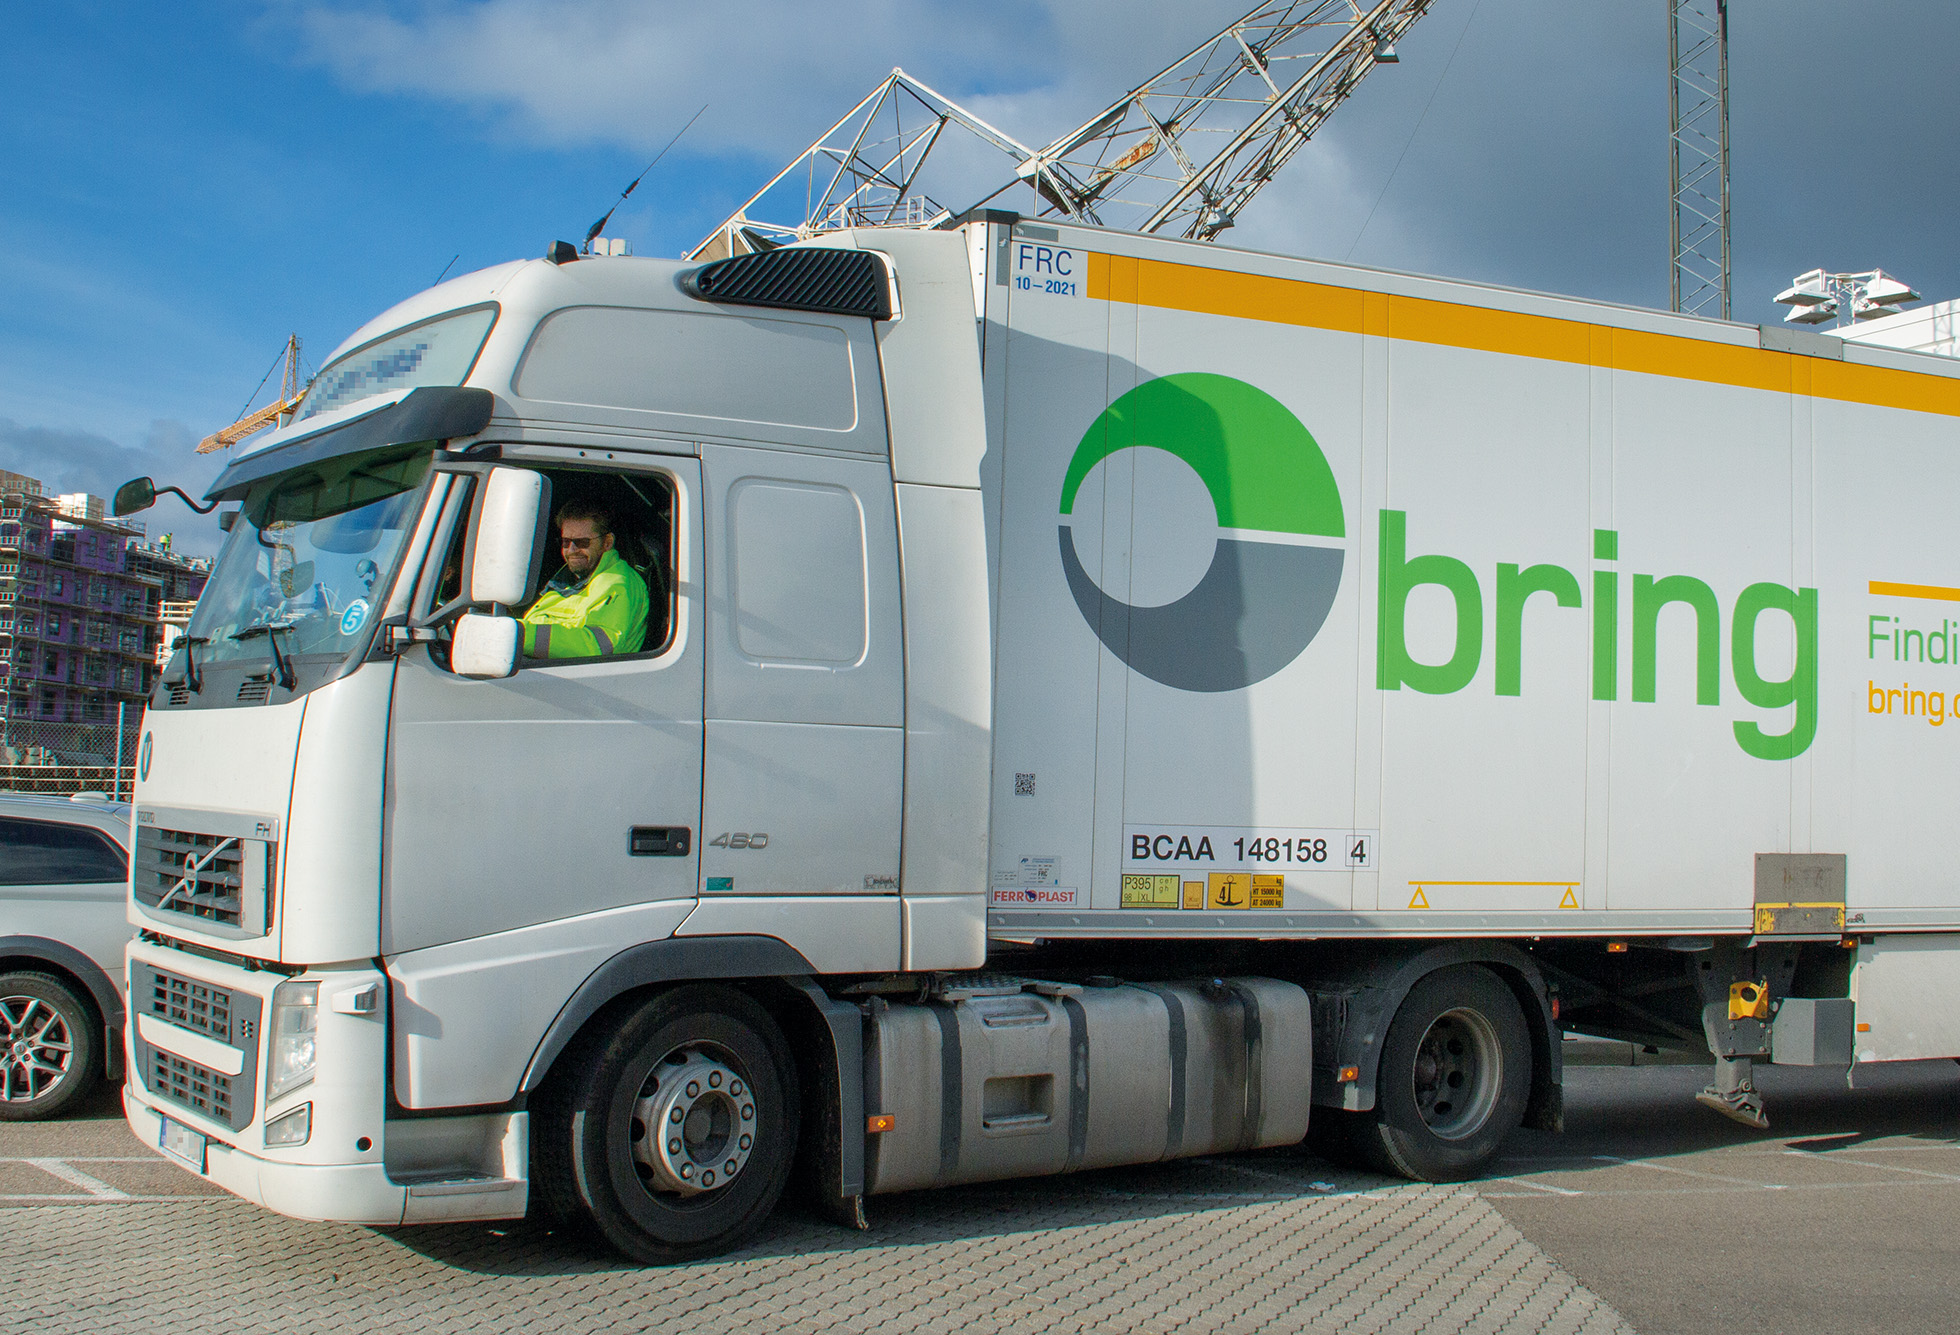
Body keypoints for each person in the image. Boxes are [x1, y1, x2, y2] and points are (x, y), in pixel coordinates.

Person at [520, 501, 650, 657]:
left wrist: (518, 635)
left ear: (607, 543)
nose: (571, 550)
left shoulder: (619, 583)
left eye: (582, 542)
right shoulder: (568, 580)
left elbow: (598, 646)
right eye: (566, 542)